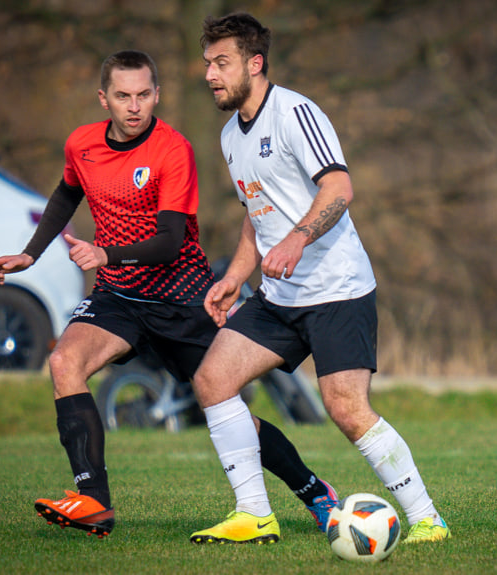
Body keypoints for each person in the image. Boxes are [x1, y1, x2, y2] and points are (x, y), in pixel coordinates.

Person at [0, 49, 338, 539]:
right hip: (118, 299)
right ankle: (93, 500)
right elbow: (68, 192)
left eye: (144, 95)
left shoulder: (173, 149)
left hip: (181, 298)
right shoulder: (81, 145)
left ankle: (313, 491)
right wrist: (31, 253)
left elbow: (170, 239)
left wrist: (105, 254)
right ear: (103, 98)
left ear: (158, 94)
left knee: (227, 410)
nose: (134, 106)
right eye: (123, 96)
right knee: (65, 362)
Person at [190, 13, 451, 546]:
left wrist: (297, 238)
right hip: (279, 296)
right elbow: (255, 213)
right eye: (207, 64)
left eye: (222, 63)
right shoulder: (229, 137)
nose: (211, 74)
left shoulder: (295, 113)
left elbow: (338, 188)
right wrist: (237, 277)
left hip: (338, 290)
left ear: (254, 63)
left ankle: (427, 520)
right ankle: (254, 514)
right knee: (212, 381)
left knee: (346, 410)